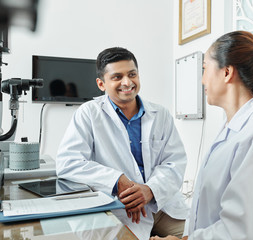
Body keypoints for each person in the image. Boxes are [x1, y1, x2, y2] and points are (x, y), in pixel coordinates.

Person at [151, 31, 253, 240]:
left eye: (204, 69)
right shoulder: (234, 127)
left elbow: (243, 231)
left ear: (227, 72)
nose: (202, 80)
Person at [56, 47, 188, 240]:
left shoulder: (161, 114)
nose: (127, 82)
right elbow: (68, 162)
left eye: (132, 74)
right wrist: (117, 181)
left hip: (163, 204)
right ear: (101, 84)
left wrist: (150, 190)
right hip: (122, 209)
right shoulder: (89, 113)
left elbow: (175, 162)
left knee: (202, 234)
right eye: (117, 77)